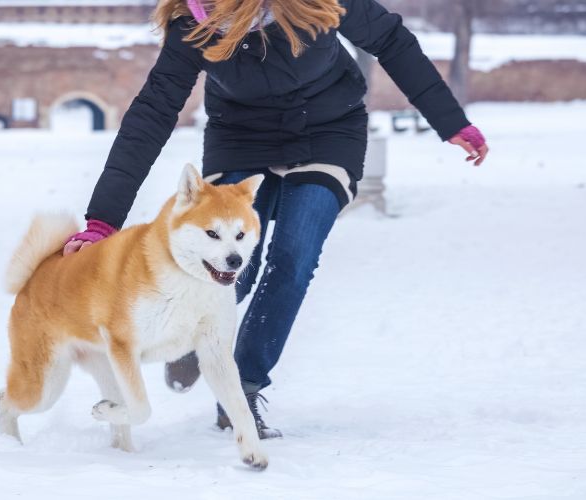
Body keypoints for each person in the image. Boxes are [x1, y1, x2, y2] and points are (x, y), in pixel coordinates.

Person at [62, 0, 490, 438]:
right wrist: (103, 220)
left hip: (327, 130)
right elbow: (152, 113)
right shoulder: (193, 25)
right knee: (227, 262)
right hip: (240, 138)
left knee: (294, 254)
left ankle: (241, 390)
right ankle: (197, 331)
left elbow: (391, 40)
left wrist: (449, 121)